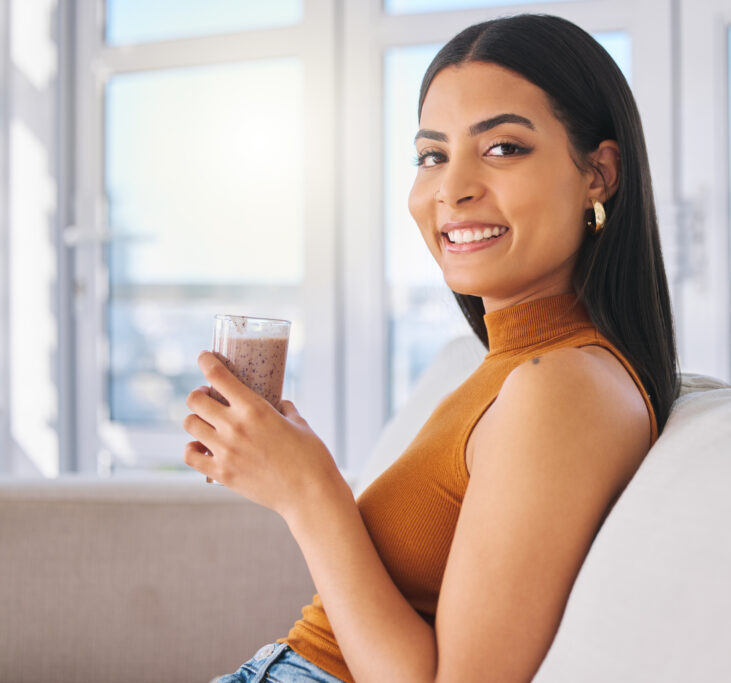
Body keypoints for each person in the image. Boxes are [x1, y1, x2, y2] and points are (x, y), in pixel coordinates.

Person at [184, 13, 679, 683]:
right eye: (432, 155)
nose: (452, 188)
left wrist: (307, 490)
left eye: (502, 147)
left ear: (599, 173)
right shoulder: (510, 366)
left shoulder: (564, 384)